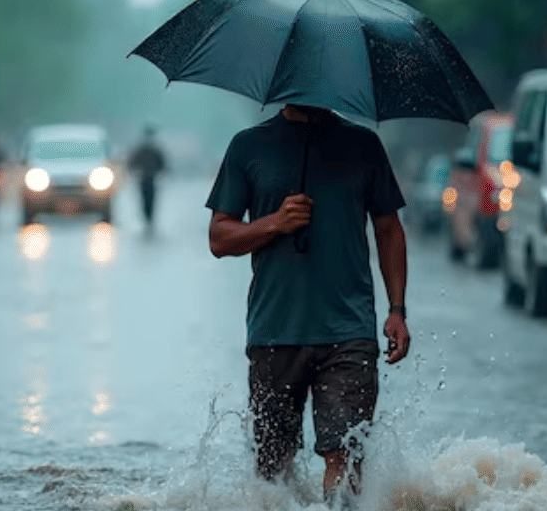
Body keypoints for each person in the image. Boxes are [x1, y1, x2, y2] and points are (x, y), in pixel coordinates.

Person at [206, 104, 411, 503]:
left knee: (346, 456)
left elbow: (388, 227)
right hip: (274, 331)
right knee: (272, 467)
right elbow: (218, 237)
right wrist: (275, 223)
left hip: (349, 331)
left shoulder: (363, 145)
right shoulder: (248, 146)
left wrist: (397, 310)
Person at [126, 126, 167, 231]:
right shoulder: (141, 151)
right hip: (143, 179)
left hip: (151, 179)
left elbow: (163, 165)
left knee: (151, 200)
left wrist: (158, 173)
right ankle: (146, 218)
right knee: (144, 200)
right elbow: (131, 163)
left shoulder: (155, 151)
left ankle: (149, 219)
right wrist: (136, 172)